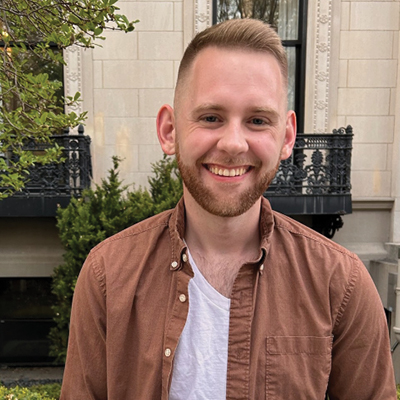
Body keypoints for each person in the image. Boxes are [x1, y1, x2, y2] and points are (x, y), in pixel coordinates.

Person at [61, 18, 396, 399]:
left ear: (286, 138)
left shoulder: (342, 284)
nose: (234, 143)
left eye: (257, 120)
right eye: (211, 118)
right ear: (169, 131)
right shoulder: (107, 276)